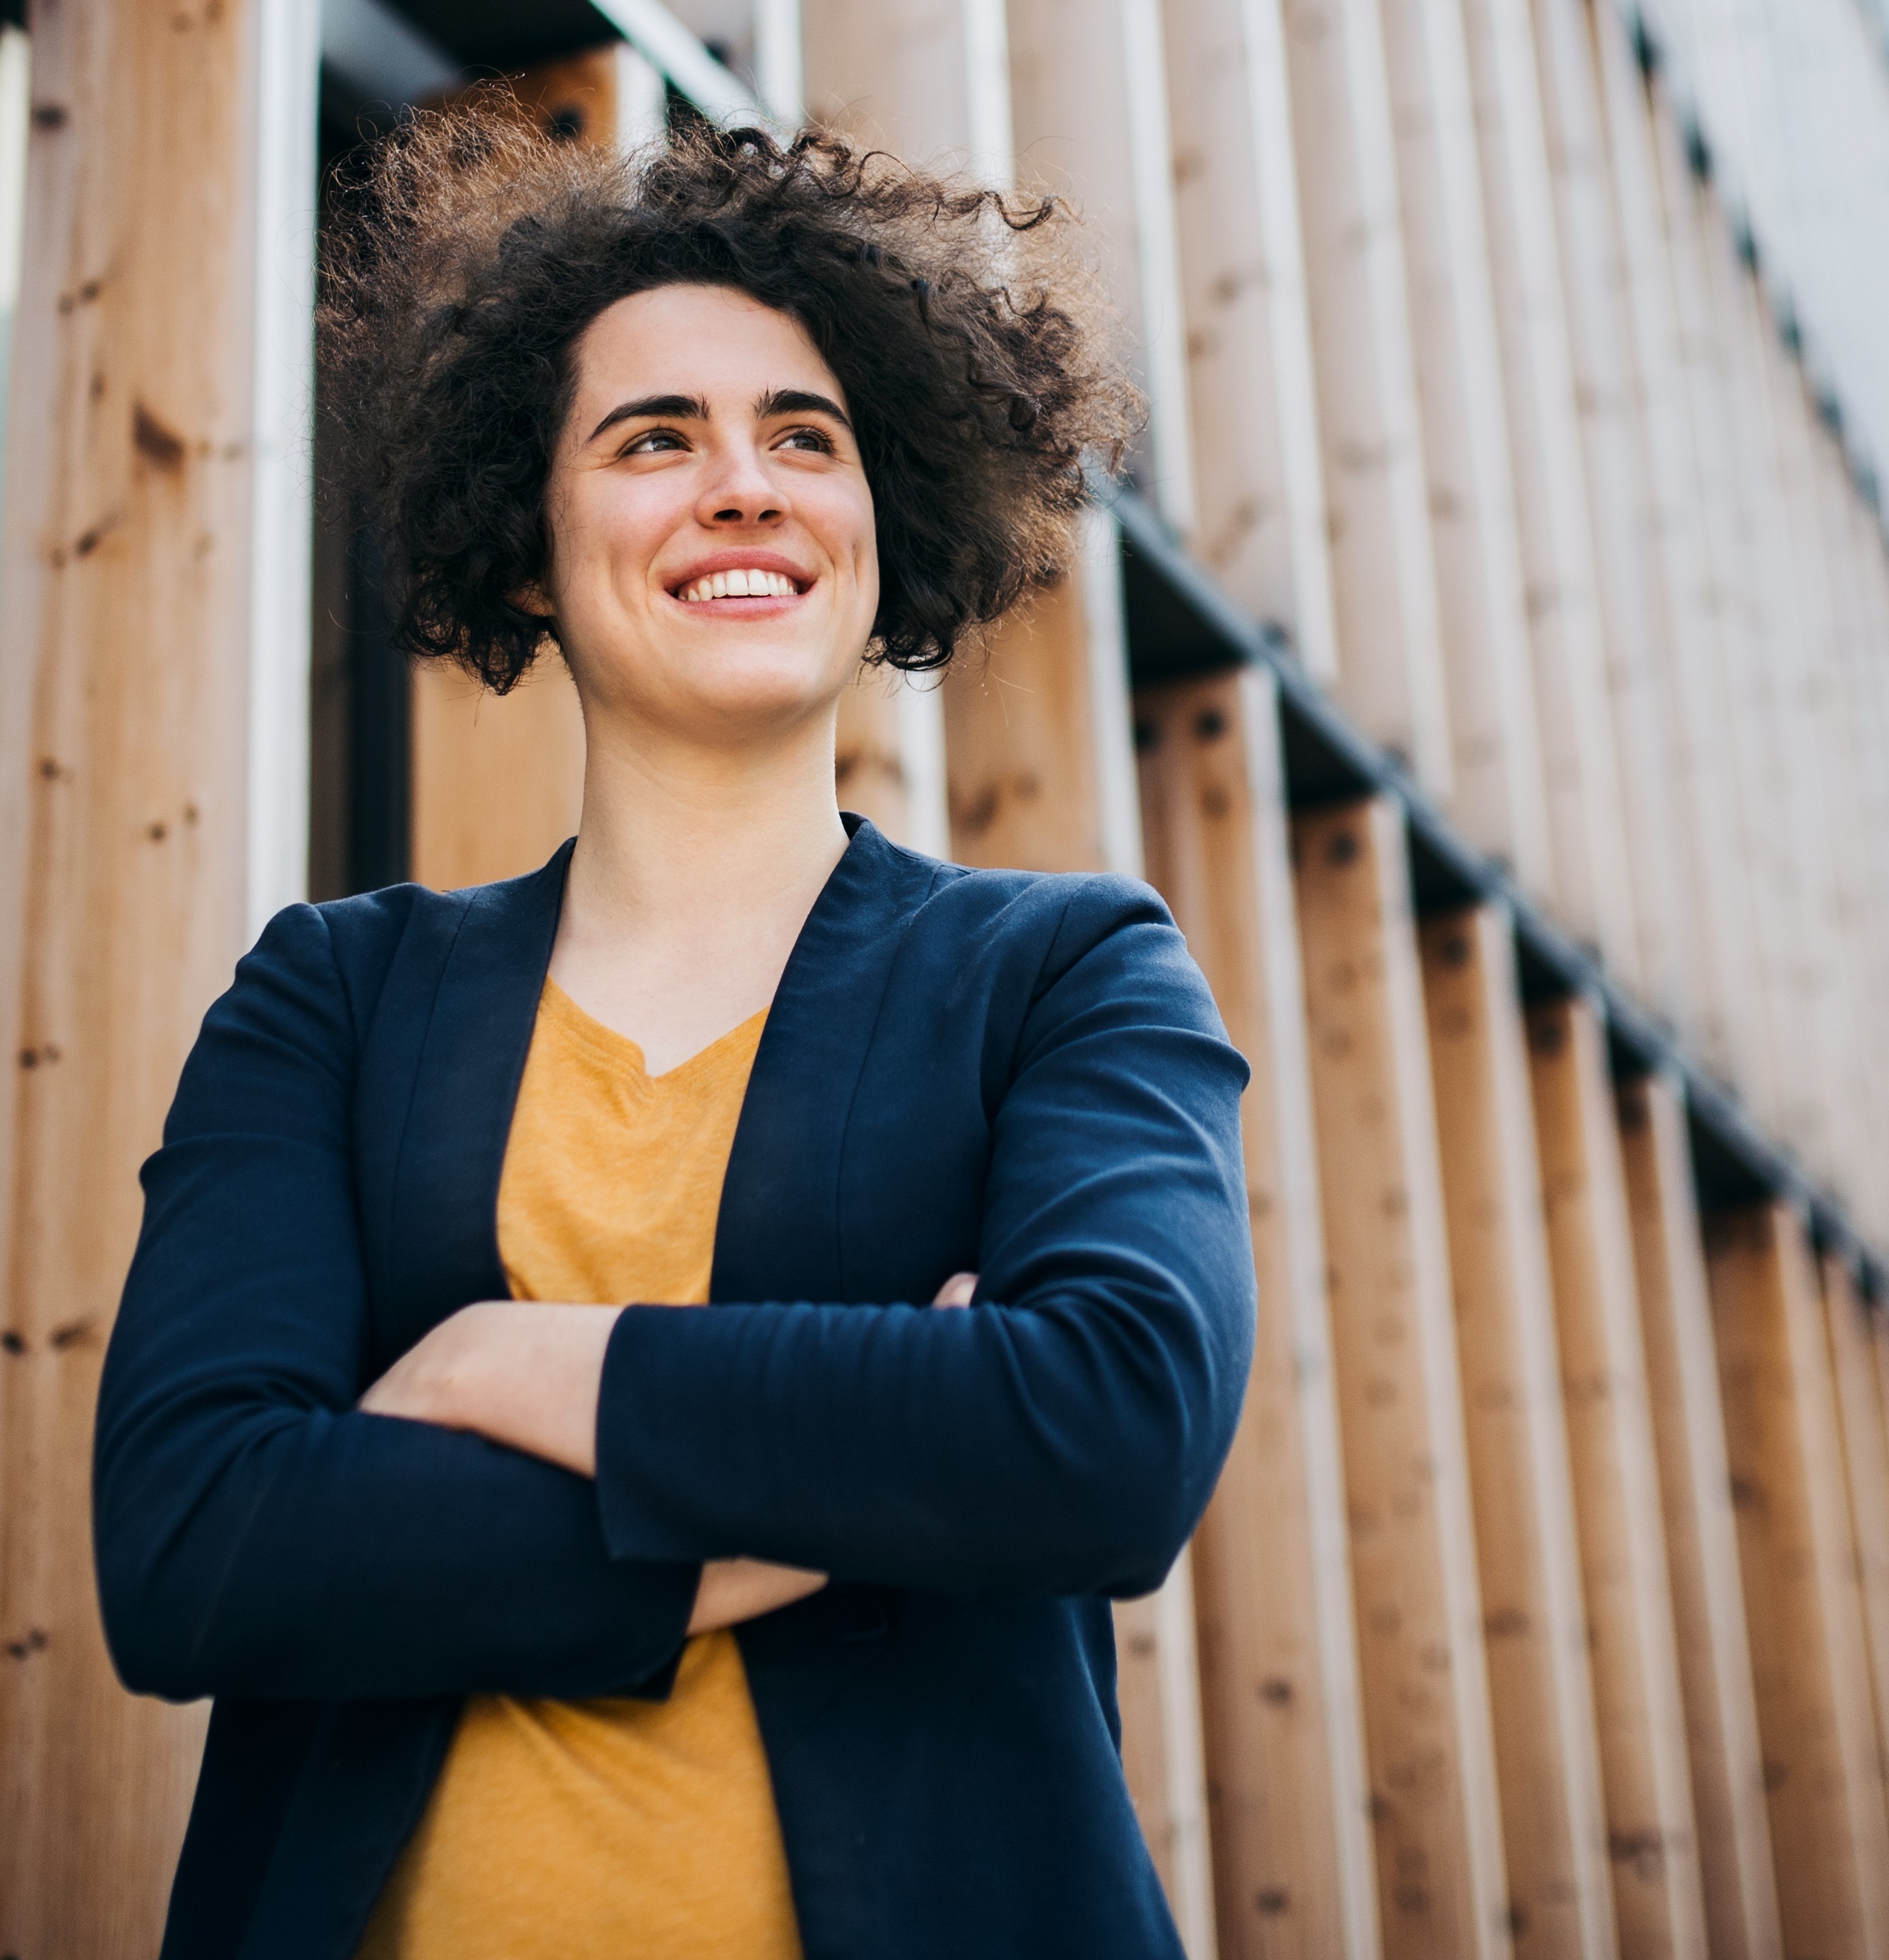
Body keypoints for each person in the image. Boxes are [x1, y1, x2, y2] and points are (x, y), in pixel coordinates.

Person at [92, 113, 1257, 1960]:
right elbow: (196, 1548)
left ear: (884, 523)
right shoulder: (334, 997)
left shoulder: (1063, 973)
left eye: (806, 436)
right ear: (531, 548)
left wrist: (513, 1364)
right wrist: (863, 1486)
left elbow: (1111, 1428)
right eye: (654, 439)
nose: (744, 486)